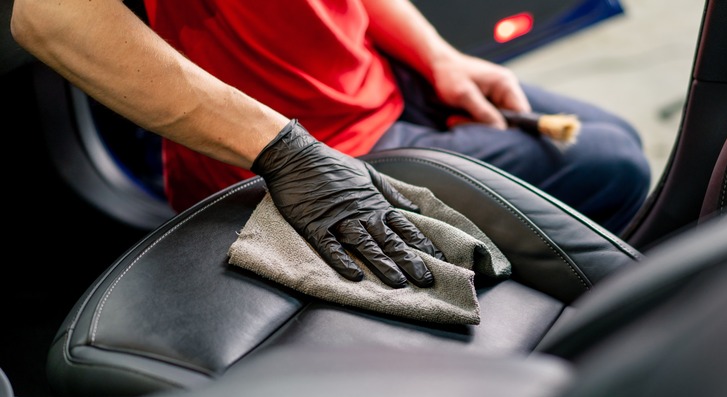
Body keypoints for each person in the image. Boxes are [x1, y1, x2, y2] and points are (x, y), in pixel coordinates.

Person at [10, 0, 649, 287]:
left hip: (383, 84)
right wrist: (286, 152)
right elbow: (52, 16)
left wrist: (439, 57)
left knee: (613, 142)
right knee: (611, 166)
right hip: (304, 155)